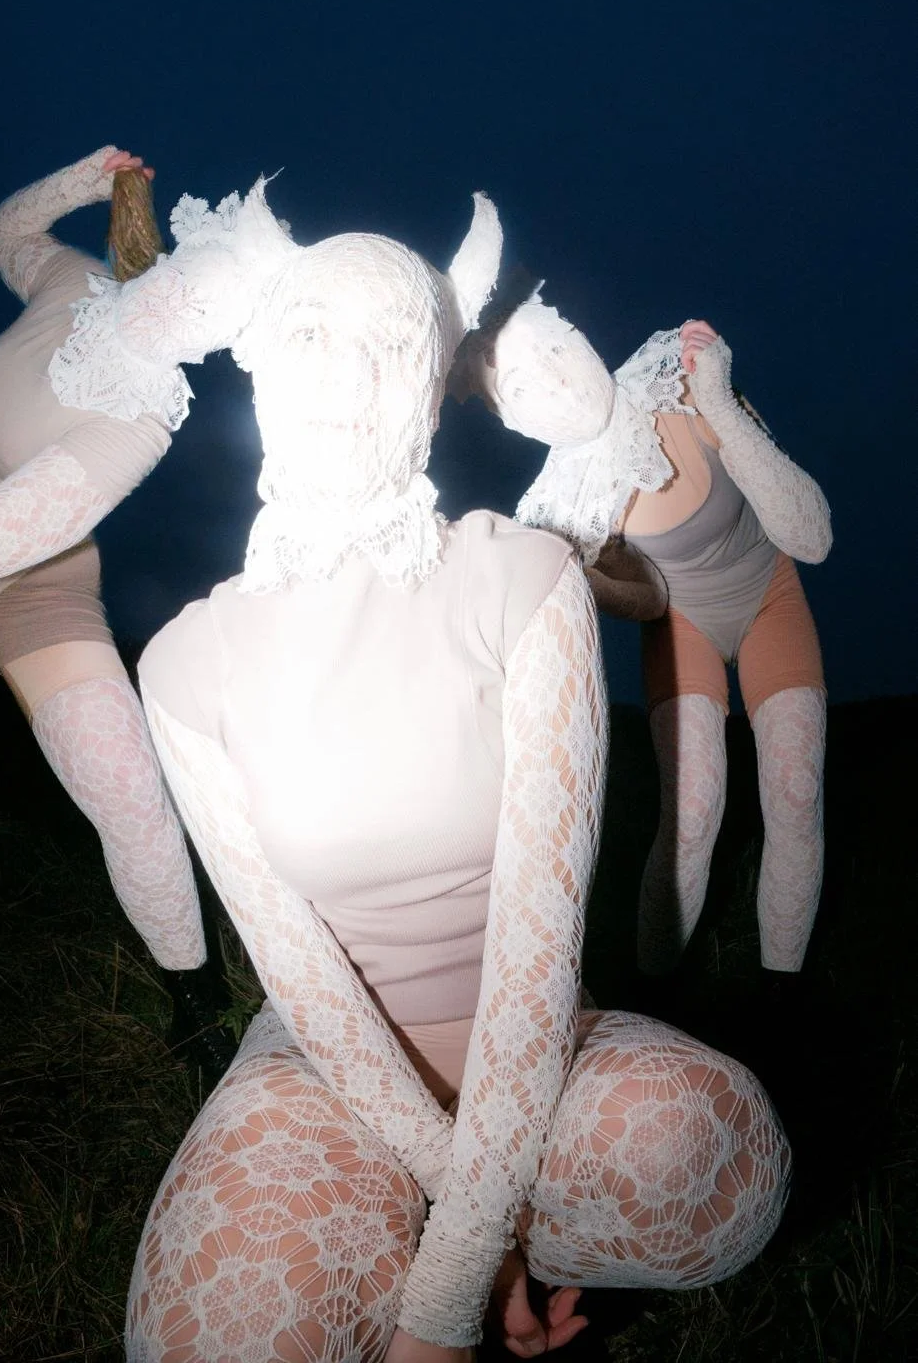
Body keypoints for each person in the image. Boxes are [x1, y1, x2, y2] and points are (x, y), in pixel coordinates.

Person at [115, 183, 789, 1362]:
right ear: (256, 362)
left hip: (533, 1052)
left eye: (392, 345)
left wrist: (441, 1302)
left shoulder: (522, 580)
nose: (347, 376)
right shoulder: (180, 665)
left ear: (436, 386)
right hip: (329, 1068)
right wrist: (472, 1236)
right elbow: (297, 971)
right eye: (311, 335)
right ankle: (439, 1227)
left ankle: (469, 1245)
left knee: (709, 1151)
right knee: (214, 1333)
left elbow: (537, 944)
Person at [0, 147, 229, 1065]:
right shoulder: (76, 283)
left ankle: (199, 1003)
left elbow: (0, 540)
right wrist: (88, 178)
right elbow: (6, 232)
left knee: (126, 784)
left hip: (36, 581)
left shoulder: (143, 416)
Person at [454, 295, 830, 988]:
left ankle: (784, 999)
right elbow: (651, 598)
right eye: (521, 386)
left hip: (768, 594)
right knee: (692, 812)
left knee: (796, 788)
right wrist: (580, 575)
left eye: (555, 349)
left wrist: (719, 405)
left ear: (577, 336)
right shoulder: (565, 505)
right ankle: (659, 997)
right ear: (509, 418)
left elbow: (811, 536)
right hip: (682, 623)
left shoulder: (680, 388)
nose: (555, 381)